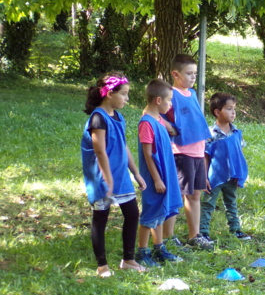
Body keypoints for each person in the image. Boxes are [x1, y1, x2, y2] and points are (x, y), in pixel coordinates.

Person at [81, 72, 147, 277]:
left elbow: (123, 146)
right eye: (124, 94)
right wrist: (107, 177)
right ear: (109, 93)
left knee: (132, 214)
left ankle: (128, 260)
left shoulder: (118, 117)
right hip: (102, 177)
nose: (127, 99)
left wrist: (135, 172)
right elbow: (99, 150)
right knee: (101, 217)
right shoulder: (98, 118)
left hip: (119, 175)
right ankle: (102, 265)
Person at [161, 54, 213, 250]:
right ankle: (168, 237)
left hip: (198, 151)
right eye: (189, 73)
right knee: (177, 195)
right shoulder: (171, 94)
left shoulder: (191, 94)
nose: (193, 77)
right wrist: (171, 128)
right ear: (175, 74)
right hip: (181, 152)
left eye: (195, 74)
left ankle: (195, 235)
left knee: (195, 195)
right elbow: (152, 115)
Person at [136, 79, 184, 267]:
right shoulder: (146, 123)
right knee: (150, 213)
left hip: (165, 173)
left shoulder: (158, 120)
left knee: (160, 212)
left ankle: (159, 248)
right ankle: (142, 251)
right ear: (158, 100)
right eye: (168, 101)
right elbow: (148, 154)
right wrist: (156, 179)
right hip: (153, 177)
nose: (170, 104)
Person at [199, 92, 251, 243]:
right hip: (214, 176)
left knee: (231, 203)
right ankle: (203, 232)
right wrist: (204, 177)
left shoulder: (236, 132)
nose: (233, 112)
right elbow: (205, 156)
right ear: (217, 112)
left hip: (232, 175)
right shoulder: (210, 133)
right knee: (208, 204)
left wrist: (240, 172)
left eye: (234, 108)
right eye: (229, 109)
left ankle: (235, 229)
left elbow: (238, 153)